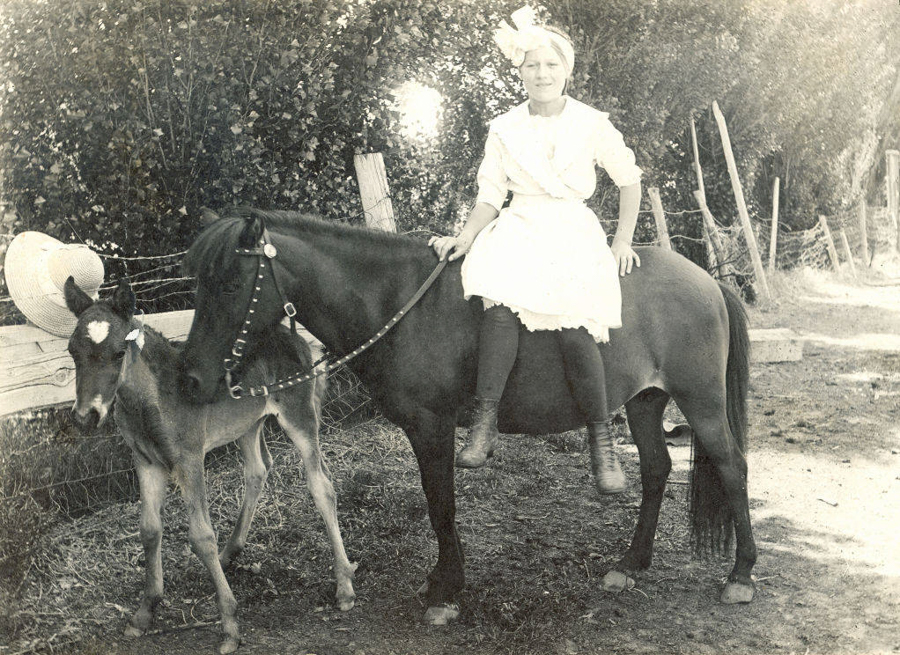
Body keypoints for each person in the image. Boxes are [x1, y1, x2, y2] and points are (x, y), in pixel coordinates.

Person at [429, 6, 643, 494]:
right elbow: (489, 194)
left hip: (571, 226)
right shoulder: (505, 127)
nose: (542, 74)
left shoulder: (592, 123)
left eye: (551, 65)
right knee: (498, 306)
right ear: (520, 73)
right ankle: (485, 423)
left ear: (566, 71)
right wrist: (465, 236)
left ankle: (603, 442)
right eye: (532, 66)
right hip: (521, 223)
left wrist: (622, 239)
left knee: (575, 325)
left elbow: (628, 181)